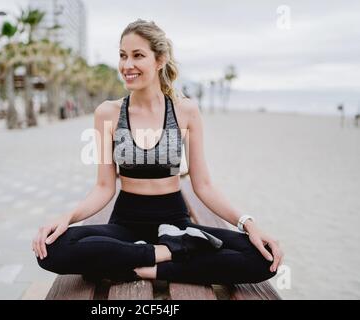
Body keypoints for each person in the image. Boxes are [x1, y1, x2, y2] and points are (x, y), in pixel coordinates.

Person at [33, 19, 283, 285]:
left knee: (263, 259)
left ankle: (151, 267)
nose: (127, 65)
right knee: (51, 251)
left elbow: (204, 185)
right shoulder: (107, 113)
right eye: (122, 56)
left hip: (176, 225)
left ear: (160, 59)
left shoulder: (185, 111)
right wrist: (66, 217)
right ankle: (162, 254)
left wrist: (248, 224)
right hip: (125, 223)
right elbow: (104, 187)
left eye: (138, 55)